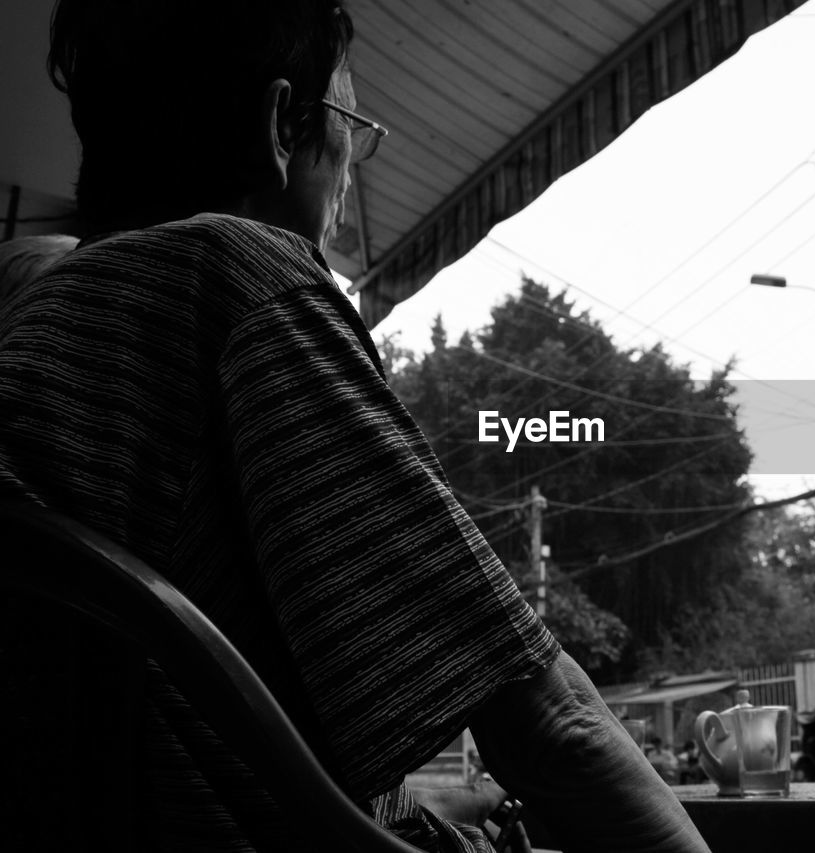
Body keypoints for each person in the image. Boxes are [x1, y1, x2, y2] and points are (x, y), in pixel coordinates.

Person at [0, 2, 711, 852]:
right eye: (349, 125)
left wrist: (410, 813)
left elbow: (189, 730)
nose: (351, 166)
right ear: (279, 126)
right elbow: (551, 727)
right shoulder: (233, 279)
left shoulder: (38, 322)